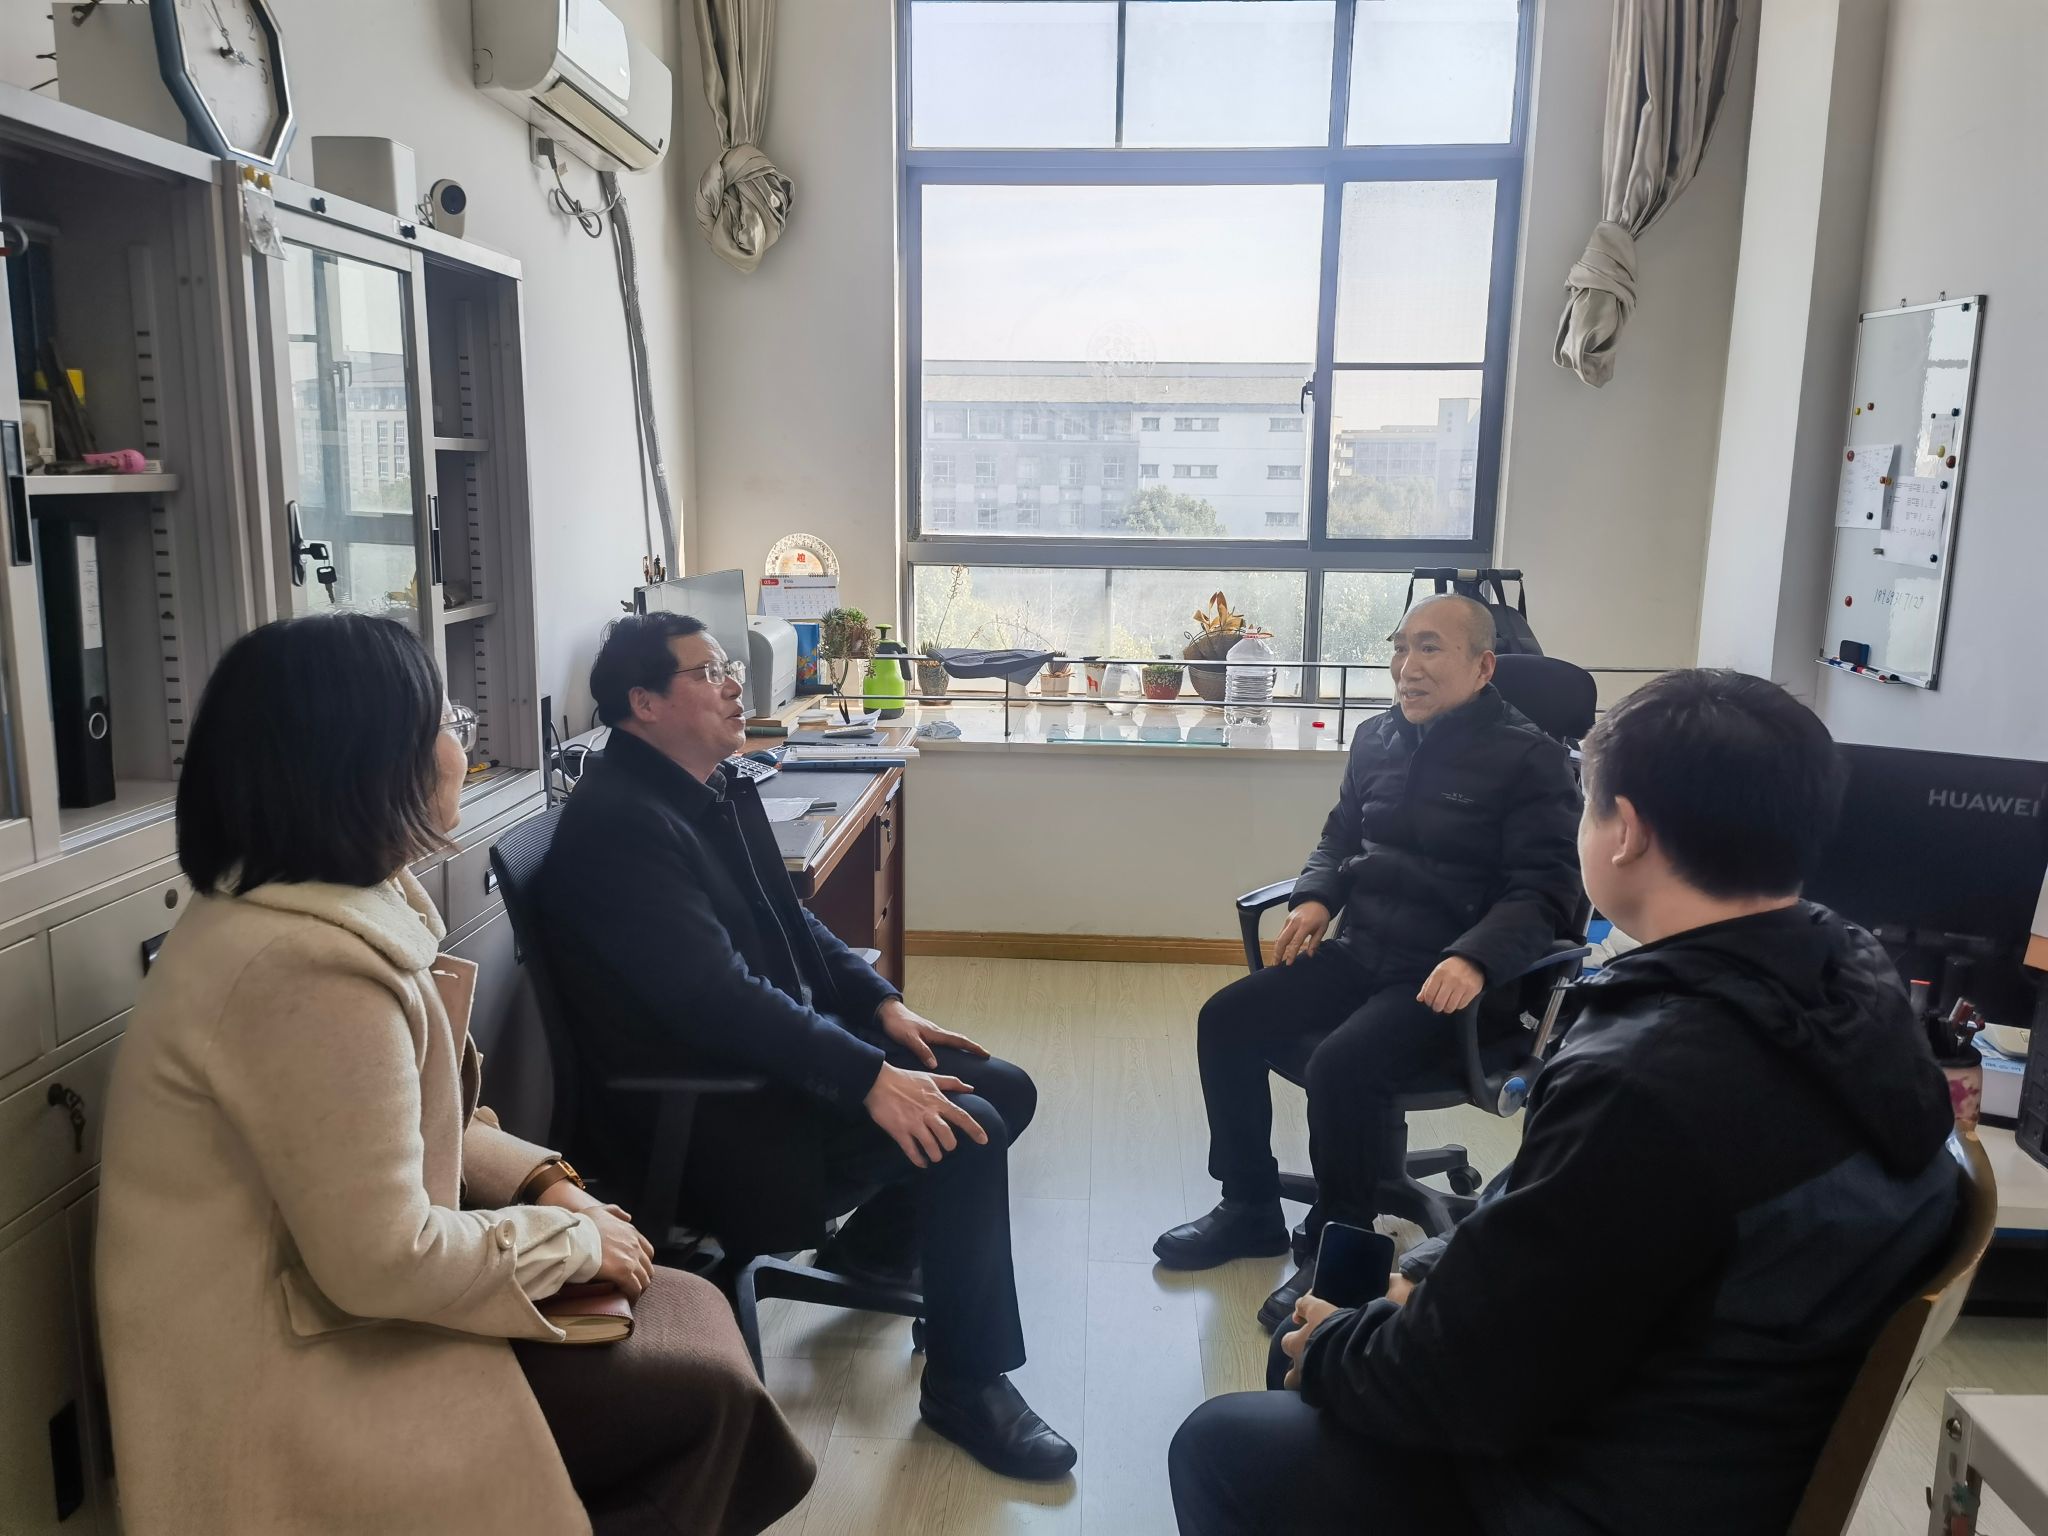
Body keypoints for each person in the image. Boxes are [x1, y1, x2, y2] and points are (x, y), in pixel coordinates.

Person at [1167, 668, 1961, 1536]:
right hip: (1720, 1431)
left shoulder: (1648, 1081)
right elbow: (1555, 1226)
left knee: (1225, 1439)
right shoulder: (1854, 980)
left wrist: (1332, 1346)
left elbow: (1462, 1390)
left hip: (1605, 1485)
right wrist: (1421, 1279)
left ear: (1627, 833)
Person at [96, 614, 814, 1536]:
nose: (461, 749)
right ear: (365, 759)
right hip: (283, 1368)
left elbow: (409, 1123)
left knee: (694, 1326)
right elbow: (385, 1261)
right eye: (448, 721)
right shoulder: (304, 967)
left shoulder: (314, 906)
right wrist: (569, 1243)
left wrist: (549, 1186)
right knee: (703, 1392)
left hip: (333, 1300)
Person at [537, 612, 1076, 1481]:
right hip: (711, 1114)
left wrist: (882, 1007)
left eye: (728, 667)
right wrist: (866, 1078)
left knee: (1003, 1087)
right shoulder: (622, 828)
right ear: (644, 703)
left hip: (772, 1062)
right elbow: (716, 1002)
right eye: (708, 673)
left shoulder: (712, 784)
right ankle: (966, 1385)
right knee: (968, 1128)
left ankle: (869, 1256)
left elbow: (793, 922)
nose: (734, 685)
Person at [1153, 594, 1582, 1329]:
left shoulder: (1531, 759)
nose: (1407, 667)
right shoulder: (1378, 737)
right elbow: (1340, 837)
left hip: (1456, 984)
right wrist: (1317, 896)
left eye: (1430, 648)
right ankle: (1249, 1206)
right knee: (1228, 1018)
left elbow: (1545, 892)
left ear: (1483, 666)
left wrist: (1475, 957)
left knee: (1342, 1065)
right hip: (1364, 951)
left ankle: (1341, 1247)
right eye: (1400, 647)